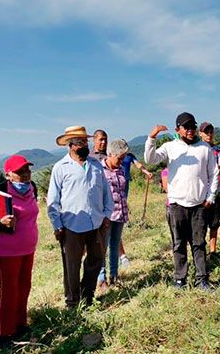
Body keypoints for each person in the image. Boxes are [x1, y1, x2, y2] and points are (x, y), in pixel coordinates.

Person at [144, 112, 219, 290]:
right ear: (178, 129)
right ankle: (180, 279)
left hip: (199, 205)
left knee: (199, 243)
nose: (191, 130)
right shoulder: (171, 147)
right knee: (178, 244)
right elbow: (150, 159)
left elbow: (213, 174)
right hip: (177, 204)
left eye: (193, 126)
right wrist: (152, 137)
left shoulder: (204, 148)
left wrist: (211, 197)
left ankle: (202, 279)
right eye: (186, 127)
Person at [0, 155, 39, 346]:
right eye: (20, 171)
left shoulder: (32, 188)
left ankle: (20, 324)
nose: (26, 174)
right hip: (7, 251)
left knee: (24, 287)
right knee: (9, 291)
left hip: (28, 248)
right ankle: (5, 334)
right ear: (9, 175)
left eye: (27, 169)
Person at [47, 126, 113, 307]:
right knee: (72, 266)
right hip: (71, 225)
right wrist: (57, 225)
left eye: (85, 141)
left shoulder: (96, 165)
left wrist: (107, 215)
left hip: (96, 223)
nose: (84, 144)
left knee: (96, 261)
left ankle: (87, 295)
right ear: (70, 144)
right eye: (79, 142)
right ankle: (72, 301)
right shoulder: (60, 168)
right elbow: (52, 201)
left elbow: (106, 192)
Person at [92, 129, 153, 267]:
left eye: (105, 139)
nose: (103, 142)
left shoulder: (121, 163)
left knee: (115, 239)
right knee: (101, 243)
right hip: (103, 209)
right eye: (101, 139)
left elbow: (137, 165)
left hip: (120, 203)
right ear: (94, 140)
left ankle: (117, 267)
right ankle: (100, 276)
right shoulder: (92, 159)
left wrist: (146, 172)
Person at [97, 139, 131, 290]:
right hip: (106, 217)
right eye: (119, 158)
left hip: (120, 214)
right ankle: (101, 278)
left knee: (115, 246)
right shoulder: (99, 171)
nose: (121, 161)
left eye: (123, 158)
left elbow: (122, 192)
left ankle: (114, 276)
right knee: (103, 248)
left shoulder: (121, 169)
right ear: (110, 154)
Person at [199, 122, 220, 254]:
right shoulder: (196, 149)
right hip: (201, 193)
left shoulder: (217, 150)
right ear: (200, 134)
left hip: (216, 191)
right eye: (206, 132)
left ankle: (213, 251)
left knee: (214, 223)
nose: (209, 134)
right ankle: (201, 251)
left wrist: (209, 171)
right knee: (201, 224)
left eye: (211, 132)